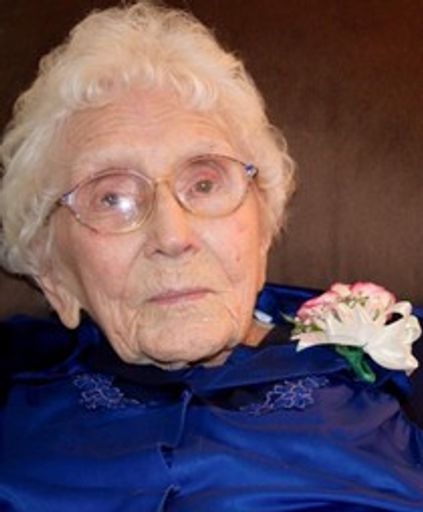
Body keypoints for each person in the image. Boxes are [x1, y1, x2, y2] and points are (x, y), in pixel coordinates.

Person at [0, 2, 422, 511]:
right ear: (53, 273)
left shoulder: (399, 357)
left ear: (262, 225)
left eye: (203, 183)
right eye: (112, 198)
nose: (173, 236)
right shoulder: (15, 385)